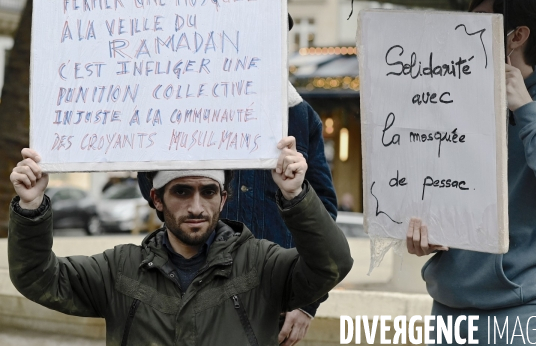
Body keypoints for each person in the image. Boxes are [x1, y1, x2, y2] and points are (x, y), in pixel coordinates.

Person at [8, 137, 353, 346]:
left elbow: (331, 266)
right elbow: (37, 277)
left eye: (208, 191)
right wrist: (31, 206)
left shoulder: (261, 265)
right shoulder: (120, 269)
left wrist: (295, 196)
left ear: (224, 198)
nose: (196, 206)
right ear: (157, 199)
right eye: (182, 191)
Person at [137, 14, 339, 345]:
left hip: (271, 300)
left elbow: (323, 216)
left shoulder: (300, 117)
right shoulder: (181, 104)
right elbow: (152, 189)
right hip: (188, 293)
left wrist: (307, 303)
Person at [406, 0, 536, 344]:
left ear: (517, 36)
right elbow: (434, 190)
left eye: (479, 21)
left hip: (526, 312)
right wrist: (425, 234)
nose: (466, 30)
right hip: (448, 310)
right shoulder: (452, 101)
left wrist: (526, 109)